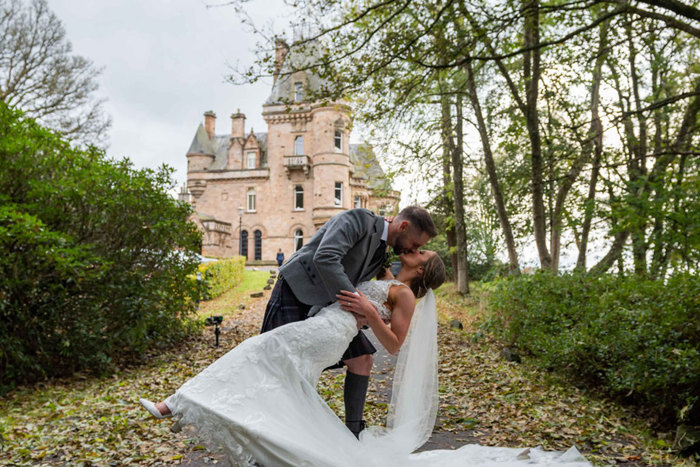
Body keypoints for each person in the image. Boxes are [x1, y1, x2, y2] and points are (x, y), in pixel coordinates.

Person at [139, 250, 589, 466]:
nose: (414, 250)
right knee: (270, 367)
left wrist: (371, 311)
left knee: (258, 350)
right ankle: (207, 412)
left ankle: (179, 404)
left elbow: (393, 344)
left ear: (423, 269)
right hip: (323, 327)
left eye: (421, 253)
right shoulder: (387, 273)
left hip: (331, 332)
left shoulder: (405, 295)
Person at [260, 206, 437, 437]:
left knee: (363, 358)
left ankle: (353, 433)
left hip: (331, 309)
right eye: (415, 244)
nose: (413, 249)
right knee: (279, 367)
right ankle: (265, 435)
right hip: (297, 291)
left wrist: (370, 310)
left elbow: (384, 291)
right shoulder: (359, 220)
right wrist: (357, 305)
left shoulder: (383, 252)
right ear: (403, 226)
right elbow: (325, 257)